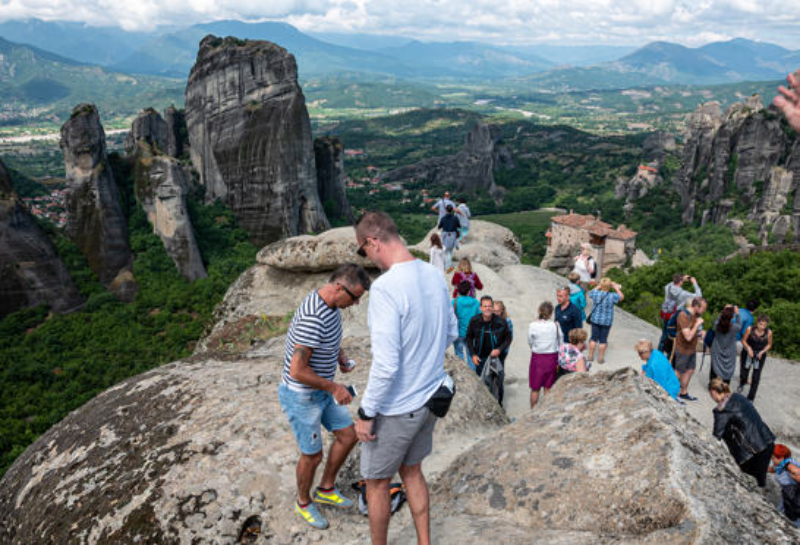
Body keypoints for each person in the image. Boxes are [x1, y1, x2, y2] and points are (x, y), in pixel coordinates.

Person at [354, 210, 458, 545]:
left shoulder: (385, 289)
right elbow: (452, 333)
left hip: (398, 407)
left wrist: (366, 413)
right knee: (412, 471)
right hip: (431, 397)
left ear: (373, 241)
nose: (367, 257)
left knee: (377, 482)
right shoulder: (433, 274)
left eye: (364, 250)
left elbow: (386, 364)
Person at [279, 263, 371, 529]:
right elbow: (297, 370)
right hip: (302, 396)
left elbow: (327, 338)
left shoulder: (331, 305)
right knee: (312, 455)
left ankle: (326, 488)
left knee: (348, 434)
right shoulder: (313, 317)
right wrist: (334, 387)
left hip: (320, 391)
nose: (354, 305)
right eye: (354, 298)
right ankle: (303, 502)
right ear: (339, 287)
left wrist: (339, 356)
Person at [708, 378, 775, 488]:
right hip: (767, 441)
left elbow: (716, 436)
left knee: (749, 485)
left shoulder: (721, 409)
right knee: (760, 480)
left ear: (714, 392)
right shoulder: (739, 396)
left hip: (751, 453)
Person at [466, 296, 512, 404]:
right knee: (482, 384)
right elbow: (468, 337)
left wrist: (499, 350)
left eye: (490, 306)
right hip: (480, 358)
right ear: (480, 308)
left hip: (497, 358)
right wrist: (472, 355)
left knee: (498, 384)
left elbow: (508, 338)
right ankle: (484, 405)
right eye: (485, 306)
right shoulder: (474, 321)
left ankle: (499, 407)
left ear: (492, 308)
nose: (487, 308)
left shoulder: (501, 322)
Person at [527, 301, 563, 409]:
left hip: (537, 357)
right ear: (551, 313)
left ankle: (533, 411)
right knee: (548, 387)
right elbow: (560, 340)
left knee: (535, 388)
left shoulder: (533, 325)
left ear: (539, 311)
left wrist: (536, 347)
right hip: (552, 357)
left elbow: (530, 341)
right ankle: (546, 410)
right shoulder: (555, 325)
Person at [674, 297, 707, 402]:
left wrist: (701, 333)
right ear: (696, 306)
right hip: (683, 349)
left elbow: (693, 332)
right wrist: (697, 325)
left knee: (690, 370)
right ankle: (670, 393)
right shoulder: (683, 315)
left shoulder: (695, 315)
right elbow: (687, 337)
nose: (704, 311)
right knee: (678, 372)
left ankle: (683, 392)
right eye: (703, 308)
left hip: (692, 349)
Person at [586, 277, 624, 364]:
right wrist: (615, 287)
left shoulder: (596, 293)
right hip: (606, 321)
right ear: (609, 286)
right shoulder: (612, 296)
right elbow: (621, 297)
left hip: (595, 320)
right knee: (603, 340)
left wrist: (599, 286)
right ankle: (600, 358)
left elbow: (590, 293)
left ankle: (590, 356)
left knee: (593, 338)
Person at [739, 314, 773, 401]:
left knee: (756, 376)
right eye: (760, 324)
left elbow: (769, 344)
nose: (762, 327)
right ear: (757, 323)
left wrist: (762, 351)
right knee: (744, 371)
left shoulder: (768, 332)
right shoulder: (750, 329)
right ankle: (742, 383)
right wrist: (749, 348)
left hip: (760, 355)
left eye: (764, 325)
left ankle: (751, 397)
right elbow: (743, 340)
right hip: (747, 352)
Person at [769, 444, 800, 528]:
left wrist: (796, 477)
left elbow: (797, 472)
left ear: (781, 458)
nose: (772, 460)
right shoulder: (780, 465)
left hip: (794, 497)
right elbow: (773, 469)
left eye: (773, 458)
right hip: (788, 496)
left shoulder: (790, 467)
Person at [709, 306, 742, 386]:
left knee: (715, 366)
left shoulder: (717, 325)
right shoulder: (735, 328)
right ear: (731, 317)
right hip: (730, 351)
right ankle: (725, 385)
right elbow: (739, 325)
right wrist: (737, 314)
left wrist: (724, 310)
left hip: (717, 349)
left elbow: (717, 319)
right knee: (728, 367)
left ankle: (713, 385)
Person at [452, 280, 481, 366]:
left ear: (458, 290)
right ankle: (473, 376)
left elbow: (450, 317)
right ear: (469, 291)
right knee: (471, 355)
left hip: (458, 332)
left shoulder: (454, 302)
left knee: (459, 354)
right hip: (472, 333)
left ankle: (462, 376)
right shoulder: (476, 302)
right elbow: (479, 318)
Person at [736, 300, 759, 388]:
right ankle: (743, 377)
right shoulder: (750, 318)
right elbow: (744, 332)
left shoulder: (740, 310)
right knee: (746, 355)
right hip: (736, 340)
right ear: (755, 310)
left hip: (727, 336)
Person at [437, 204, 460, 271]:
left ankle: (446, 265)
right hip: (452, 235)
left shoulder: (443, 218)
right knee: (450, 251)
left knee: (445, 251)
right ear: (452, 210)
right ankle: (448, 266)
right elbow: (459, 226)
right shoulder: (455, 218)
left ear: (446, 210)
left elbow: (439, 227)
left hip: (445, 236)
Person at [493, 300, 513, 365]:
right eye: (494, 311)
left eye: (497, 311)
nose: (495, 313)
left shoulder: (507, 321)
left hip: (502, 350)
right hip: (491, 350)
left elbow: (509, 337)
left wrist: (502, 349)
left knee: (499, 369)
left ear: (502, 311)